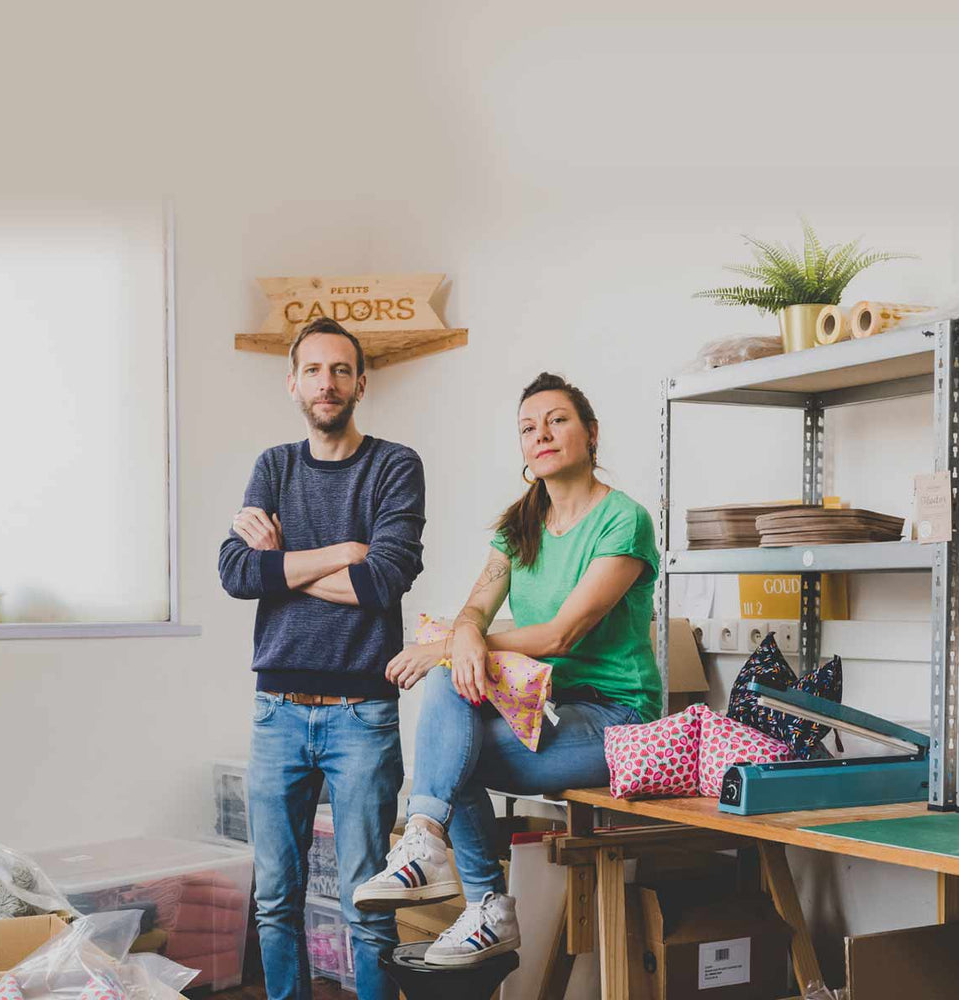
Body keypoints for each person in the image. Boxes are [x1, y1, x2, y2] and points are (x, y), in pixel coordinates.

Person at [352, 371, 660, 967]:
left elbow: (562, 633)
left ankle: (476, 894)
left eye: (557, 421)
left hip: (618, 719)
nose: (541, 434)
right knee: (451, 690)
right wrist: (462, 636)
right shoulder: (518, 528)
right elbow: (474, 609)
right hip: (546, 705)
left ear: (591, 433)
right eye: (528, 427)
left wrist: (454, 645)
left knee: (452, 741)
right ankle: (432, 845)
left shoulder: (624, 520)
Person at [218, 317, 426, 1000]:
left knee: (369, 902)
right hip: (276, 712)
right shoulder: (274, 466)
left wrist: (281, 563)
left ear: (361, 383)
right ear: (293, 384)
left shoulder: (394, 466)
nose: (326, 383)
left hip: (362, 714)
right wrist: (339, 552)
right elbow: (236, 573)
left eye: (340, 370)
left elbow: (382, 582)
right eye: (313, 370)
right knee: (274, 899)